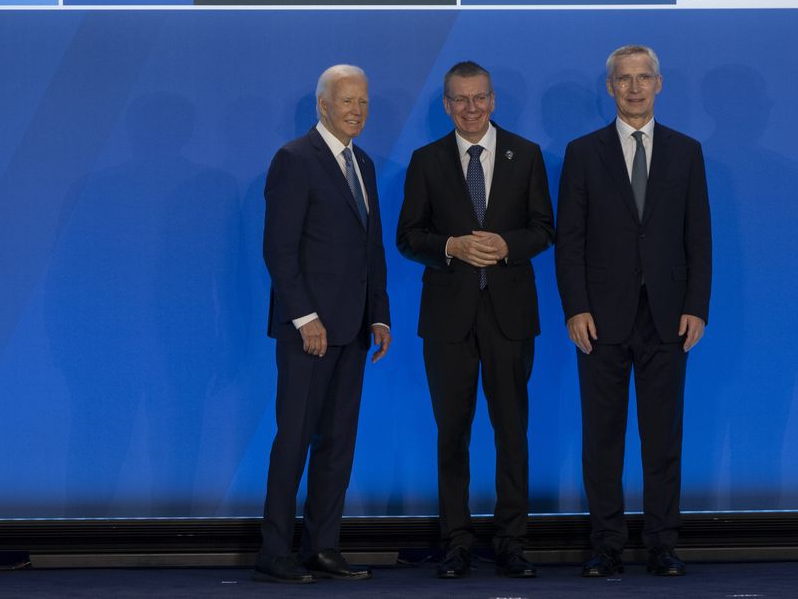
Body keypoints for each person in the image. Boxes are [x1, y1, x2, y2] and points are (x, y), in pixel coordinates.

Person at [554, 45, 712, 577]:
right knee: (602, 438)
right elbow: (569, 241)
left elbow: (699, 239)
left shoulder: (687, 152)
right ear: (610, 88)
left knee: (663, 438)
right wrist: (575, 307)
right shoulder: (583, 152)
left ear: (660, 84)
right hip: (599, 317)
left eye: (645, 78)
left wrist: (697, 306)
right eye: (625, 79)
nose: (635, 87)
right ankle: (606, 545)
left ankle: (662, 544)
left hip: (669, 317)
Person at [396, 61, 554, 579]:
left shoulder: (526, 155)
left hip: (510, 316)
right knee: (452, 435)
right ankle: (456, 542)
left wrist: (508, 245)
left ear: (493, 100)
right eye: (460, 99)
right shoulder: (425, 161)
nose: (471, 108)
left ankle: (512, 542)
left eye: (479, 98)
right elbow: (408, 236)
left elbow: (544, 229)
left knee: (513, 433)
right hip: (447, 321)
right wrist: (451, 246)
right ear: (445, 104)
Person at [256, 64, 393, 584]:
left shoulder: (365, 165)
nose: (357, 111)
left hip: (355, 328)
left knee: (339, 441)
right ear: (323, 105)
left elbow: (370, 249)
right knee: (293, 439)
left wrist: (379, 313)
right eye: (347, 101)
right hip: (307, 332)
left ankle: (322, 546)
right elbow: (279, 249)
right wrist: (305, 317)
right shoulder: (294, 159)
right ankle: (274, 551)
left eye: (363, 102)